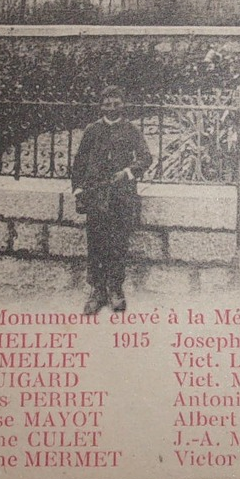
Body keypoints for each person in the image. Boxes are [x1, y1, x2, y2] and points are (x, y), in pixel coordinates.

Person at [71, 86, 152, 315]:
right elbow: (79, 162)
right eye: (107, 104)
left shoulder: (131, 130)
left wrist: (128, 172)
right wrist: (78, 189)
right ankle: (97, 291)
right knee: (96, 243)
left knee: (118, 243)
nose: (112, 107)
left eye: (116, 103)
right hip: (96, 195)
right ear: (101, 106)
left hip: (121, 196)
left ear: (123, 105)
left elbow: (146, 157)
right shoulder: (92, 130)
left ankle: (115, 289)